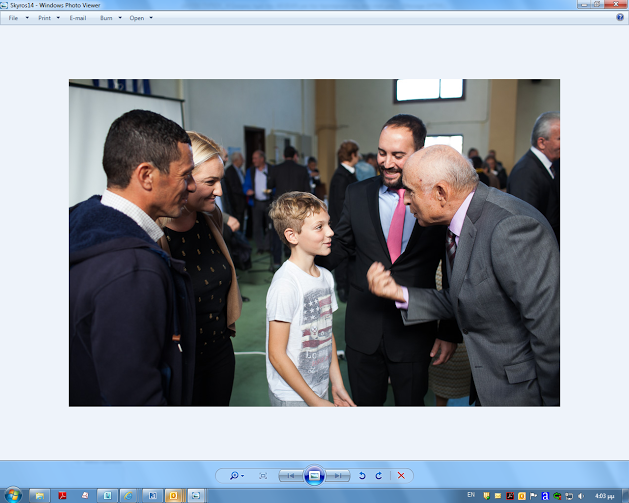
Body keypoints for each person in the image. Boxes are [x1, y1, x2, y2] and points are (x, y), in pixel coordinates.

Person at [367, 144, 560, 406]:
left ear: (441, 193)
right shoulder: (460, 222)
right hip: (490, 385)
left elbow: (551, 334)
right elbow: (466, 296)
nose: (406, 200)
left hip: (522, 393)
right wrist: (398, 293)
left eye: (410, 191)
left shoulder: (511, 227)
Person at [316, 114, 461, 406]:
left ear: (419, 154)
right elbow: (341, 245)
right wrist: (304, 259)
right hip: (363, 328)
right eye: (382, 153)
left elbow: (450, 269)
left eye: (398, 155)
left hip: (413, 332)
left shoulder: (437, 200)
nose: (387, 162)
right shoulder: (357, 193)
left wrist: (449, 331)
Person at [69, 109, 197, 406]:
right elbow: (134, 397)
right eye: (185, 175)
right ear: (146, 176)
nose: (191, 185)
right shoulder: (133, 270)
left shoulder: (81, 226)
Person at [157, 132, 243, 406]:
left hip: (220, 353)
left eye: (220, 181)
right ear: (183, 179)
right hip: (180, 361)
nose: (219, 191)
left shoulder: (211, 217)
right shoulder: (153, 235)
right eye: (210, 182)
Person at [266, 191, 355, 407]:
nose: (331, 232)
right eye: (319, 227)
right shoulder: (285, 285)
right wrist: (313, 401)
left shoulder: (325, 277)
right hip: (293, 397)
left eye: (328, 224)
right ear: (292, 236)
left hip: (318, 389)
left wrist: (337, 384)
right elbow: (276, 354)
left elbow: (326, 333)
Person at [507, 111, 560, 245]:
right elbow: (524, 223)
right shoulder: (525, 172)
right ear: (542, 142)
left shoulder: (550, 166)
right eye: (560, 139)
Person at [267, 145, 311, 269]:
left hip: (280, 207)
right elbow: (307, 190)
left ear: (283, 155)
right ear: (295, 156)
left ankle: (277, 262)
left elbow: (270, 185)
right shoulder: (302, 169)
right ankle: (294, 260)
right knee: (296, 233)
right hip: (297, 208)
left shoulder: (276, 169)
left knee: (277, 234)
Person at [327, 140, 360, 303]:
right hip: (343, 225)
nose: (358, 157)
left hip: (345, 224)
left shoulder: (346, 173)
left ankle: (348, 287)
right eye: (357, 154)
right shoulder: (341, 176)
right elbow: (341, 204)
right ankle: (342, 289)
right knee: (342, 258)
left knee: (349, 258)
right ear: (353, 155)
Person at [243, 150, 272, 254]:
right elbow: (245, 185)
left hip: (269, 202)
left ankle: (268, 246)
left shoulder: (271, 169)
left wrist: (272, 191)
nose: (253, 160)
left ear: (262, 159)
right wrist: (247, 190)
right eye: (253, 158)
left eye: (255, 158)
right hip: (256, 202)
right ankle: (260, 247)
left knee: (270, 225)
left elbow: (276, 184)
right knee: (257, 226)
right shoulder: (250, 171)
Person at [223, 151, 248, 231]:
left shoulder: (240, 170)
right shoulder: (229, 171)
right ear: (236, 160)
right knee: (236, 224)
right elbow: (232, 188)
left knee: (241, 222)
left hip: (241, 202)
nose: (243, 161)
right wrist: (244, 191)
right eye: (242, 159)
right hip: (235, 203)